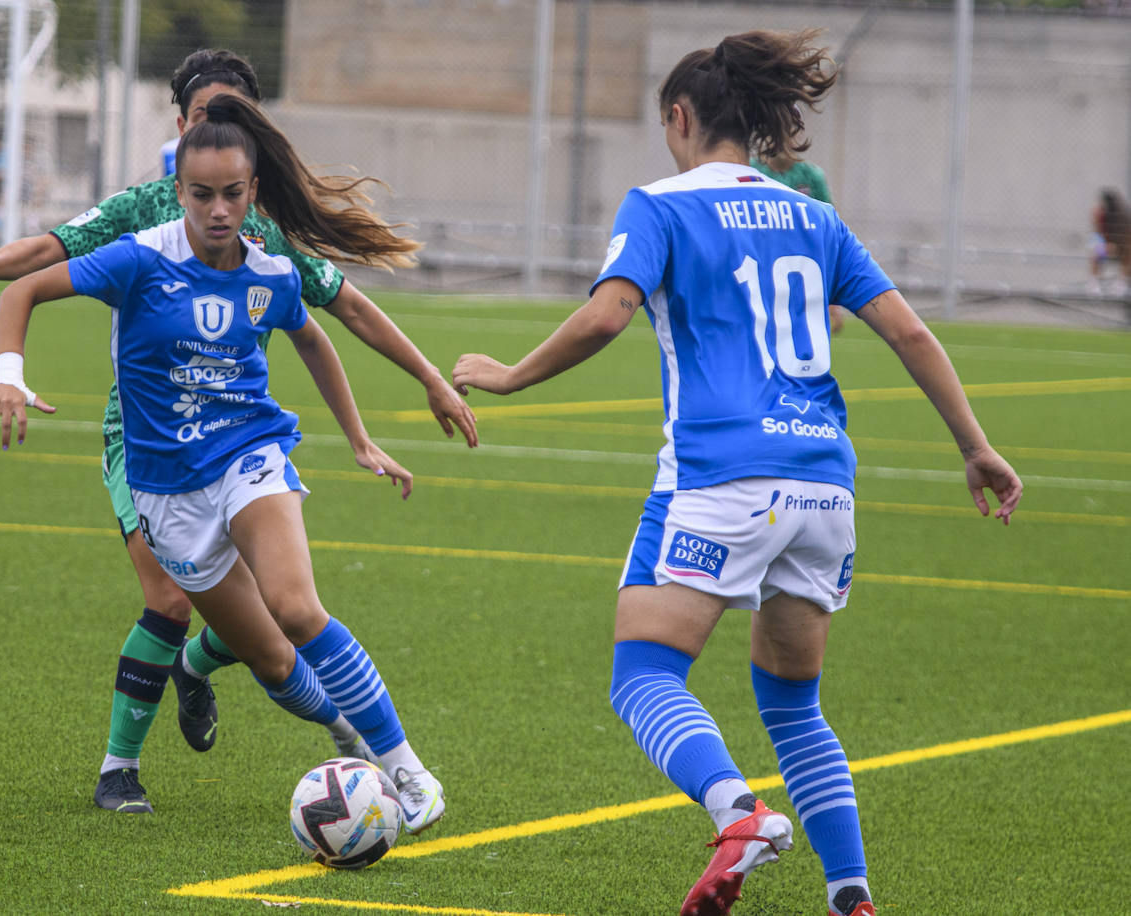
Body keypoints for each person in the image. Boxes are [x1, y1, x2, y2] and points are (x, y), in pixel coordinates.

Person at [452, 29, 1022, 916]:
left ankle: (737, 813)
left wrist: (511, 374)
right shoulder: (814, 216)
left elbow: (606, 316)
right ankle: (851, 896)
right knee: (793, 704)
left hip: (723, 475)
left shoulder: (659, 205)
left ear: (680, 118)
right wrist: (975, 446)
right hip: (824, 484)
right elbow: (909, 330)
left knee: (643, 674)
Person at [0, 49, 472, 821]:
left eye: (233, 191)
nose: (219, 208)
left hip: (246, 452)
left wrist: (364, 433)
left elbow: (321, 332)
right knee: (267, 655)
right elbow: (39, 269)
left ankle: (408, 774)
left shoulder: (271, 259)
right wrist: (6, 361)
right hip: (161, 473)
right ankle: (314, 717)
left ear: (253, 180)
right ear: (180, 173)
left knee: (296, 608)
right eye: (203, 192)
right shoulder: (139, 242)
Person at [752, 150, 847, 333]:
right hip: (759, 267)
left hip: (799, 271)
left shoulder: (811, 175)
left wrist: (832, 291)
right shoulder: (751, 171)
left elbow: (829, 231)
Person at [1088, 187, 1130, 297]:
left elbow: (1127, 236)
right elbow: (1097, 234)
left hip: (1121, 244)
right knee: (1096, 250)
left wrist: (1118, 246)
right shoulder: (1100, 215)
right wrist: (1105, 244)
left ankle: (1122, 283)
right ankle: (1094, 283)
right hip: (1106, 243)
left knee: (1128, 251)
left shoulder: (1123, 216)